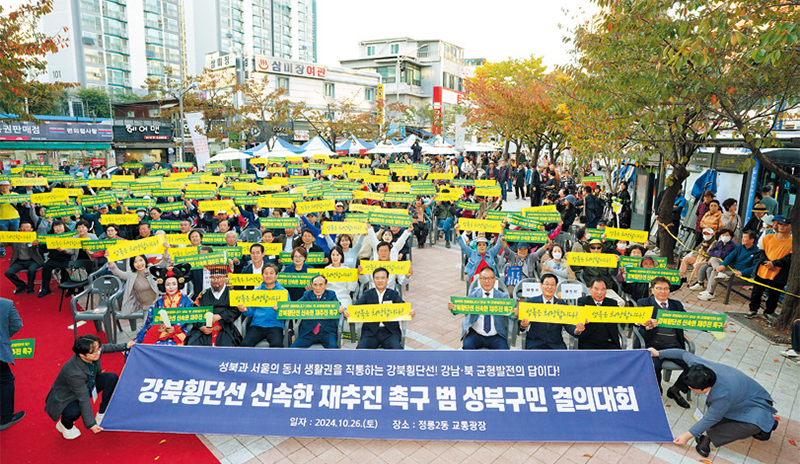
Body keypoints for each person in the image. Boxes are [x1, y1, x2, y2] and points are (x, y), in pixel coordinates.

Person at [649, 349, 778, 458]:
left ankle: (707, 437)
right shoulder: (699, 366)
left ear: (704, 389)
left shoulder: (723, 394)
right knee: (718, 414)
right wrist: (658, 353)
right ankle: (766, 424)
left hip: (755, 403)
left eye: (691, 388)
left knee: (749, 425)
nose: (689, 388)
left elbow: (712, 417)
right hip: (738, 398)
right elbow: (682, 353)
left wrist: (687, 435)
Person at [44, 334, 135, 439]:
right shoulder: (73, 372)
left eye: (98, 348)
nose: (99, 352)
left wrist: (125, 346)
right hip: (67, 396)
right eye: (95, 352)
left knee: (111, 378)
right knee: (74, 411)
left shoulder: (93, 351)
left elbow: (105, 347)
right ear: (82, 355)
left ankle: (102, 413)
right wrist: (91, 424)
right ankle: (65, 425)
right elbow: (83, 398)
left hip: (87, 383)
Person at [635, 277, 692, 408]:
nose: (663, 291)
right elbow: (637, 320)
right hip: (653, 347)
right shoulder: (644, 303)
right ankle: (657, 391)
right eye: (659, 288)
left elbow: (690, 320)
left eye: (666, 288)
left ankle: (675, 390)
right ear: (652, 290)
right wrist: (647, 323)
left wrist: (714, 326)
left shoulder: (676, 305)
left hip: (674, 347)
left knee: (694, 365)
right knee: (654, 366)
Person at [344, 267, 413, 349]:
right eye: (377, 278)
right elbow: (355, 307)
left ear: (387, 279)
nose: (380, 281)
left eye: (383, 278)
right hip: (370, 332)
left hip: (389, 332)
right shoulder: (367, 294)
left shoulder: (393, 294)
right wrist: (347, 311)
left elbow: (403, 307)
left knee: (397, 350)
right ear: (373, 279)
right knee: (360, 351)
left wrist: (410, 312)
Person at [449, 267, 514, 350]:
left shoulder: (503, 297)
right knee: (467, 349)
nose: (487, 281)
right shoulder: (473, 295)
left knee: (504, 353)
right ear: (479, 280)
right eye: (484, 278)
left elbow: (511, 316)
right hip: (476, 334)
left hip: (496, 336)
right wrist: (453, 308)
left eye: (490, 278)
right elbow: (462, 308)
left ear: (494, 280)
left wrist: (514, 313)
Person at [134, 264, 194, 345]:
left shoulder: (186, 300)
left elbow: (190, 319)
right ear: (164, 286)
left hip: (179, 333)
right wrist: (159, 327)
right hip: (161, 332)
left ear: (178, 284)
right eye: (168, 284)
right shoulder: (158, 301)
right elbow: (151, 318)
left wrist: (176, 329)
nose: (171, 287)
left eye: (174, 284)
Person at [746, 215, 792, 322]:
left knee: (774, 294)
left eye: (785, 225)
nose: (782, 227)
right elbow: (760, 252)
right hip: (763, 270)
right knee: (757, 291)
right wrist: (767, 262)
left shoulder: (792, 242)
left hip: (779, 273)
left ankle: (769, 312)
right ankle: (753, 309)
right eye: (780, 224)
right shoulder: (768, 237)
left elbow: (790, 257)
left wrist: (775, 263)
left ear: (790, 227)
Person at [107, 252, 169, 328]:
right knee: (148, 329)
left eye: (140, 260)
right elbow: (119, 273)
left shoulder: (151, 269)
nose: (139, 264)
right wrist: (110, 259)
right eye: (135, 262)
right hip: (147, 308)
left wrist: (166, 250)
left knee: (166, 327)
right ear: (132, 264)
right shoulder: (131, 275)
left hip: (161, 305)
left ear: (145, 260)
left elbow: (163, 263)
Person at [186, 266, 242, 347]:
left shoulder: (232, 293)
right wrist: (201, 327)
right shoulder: (203, 294)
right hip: (205, 325)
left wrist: (220, 316)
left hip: (224, 325)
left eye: (219, 277)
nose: (215, 280)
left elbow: (237, 310)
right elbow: (195, 312)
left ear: (225, 279)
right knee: (194, 343)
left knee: (227, 344)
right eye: (212, 277)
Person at [697, 230, 759, 301]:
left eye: (744, 237)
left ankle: (710, 293)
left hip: (739, 273)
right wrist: (723, 265)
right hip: (730, 268)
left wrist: (742, 272)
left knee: (714, 270)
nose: (742, 239)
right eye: (742, 237)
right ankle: (718, 276)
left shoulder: (757, 252)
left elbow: (754, 267)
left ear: (752, 240)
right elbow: (730, 257)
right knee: (714, 259)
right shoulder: (739, 247)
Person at [238, 263, 289, 347]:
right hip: (257, 325)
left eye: (271, 273)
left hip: (275, 325)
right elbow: (250, 313)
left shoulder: (283, 292)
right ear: (262, 275)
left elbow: (287, 313)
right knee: (245, 344)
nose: (268, 276)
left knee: (277, 345)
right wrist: (245, 310)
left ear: (276, 275)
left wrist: (280, 311)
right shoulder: (256, 292)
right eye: (266, 273)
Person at [520, 273, 570, 350]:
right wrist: (523, 325)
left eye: (552, 285)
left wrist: (577, 330)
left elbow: (569, 326)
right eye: (546, 284)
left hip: (556, 344)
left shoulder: (562, 305)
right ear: (541, 285)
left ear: (556, 287)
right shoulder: (531, 303)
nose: (549, 287)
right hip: (535, 343)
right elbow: (520, 324)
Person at [290, 275, 340, 348]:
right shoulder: (307, 294)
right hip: (309, 331)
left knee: (333, 349)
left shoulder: (331, 294)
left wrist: (342, 308)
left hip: (326, 331)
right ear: (312, 285)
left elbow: (338, 305)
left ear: (325, 286)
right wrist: (281, 307)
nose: (318, 288)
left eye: (321, 285)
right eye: (315, 285)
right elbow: (296, 305)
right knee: (293, 349)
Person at [571, 278, 622, 349]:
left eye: (603, 289)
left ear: (606, 290)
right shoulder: (583, 302)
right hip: (588, 341)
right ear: (590, 289)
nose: (599, 292)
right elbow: (577, 321)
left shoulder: (612, 303)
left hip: (609, 341)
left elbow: (623, 316)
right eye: (596, 289)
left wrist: (637, 322)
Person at [0, 298, 24, 430]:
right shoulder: (6, 304)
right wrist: (4, 336)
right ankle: (6, 417)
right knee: (6, 380)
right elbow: (16, 325)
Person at [4, 221, 44, 295]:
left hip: (33, 260)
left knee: (32, 270)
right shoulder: (15, 237)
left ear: (31, 229)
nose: (25, 229)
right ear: (19, 229)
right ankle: (21, 285)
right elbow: (4, 242)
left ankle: (30, 287)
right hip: (19, 261)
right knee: (8, 273)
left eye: (27, 227)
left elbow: (43, 247)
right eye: (23, 227)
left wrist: (37, 244)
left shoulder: (36, 237)